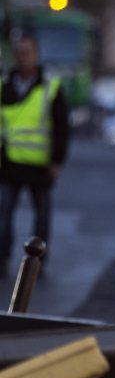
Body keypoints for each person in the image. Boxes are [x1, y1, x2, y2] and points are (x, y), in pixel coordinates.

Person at [0, 34, 71, 277]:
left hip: (40, 166)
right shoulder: (4, 84)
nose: (23, 57)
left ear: (36, 54)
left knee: (41, 220)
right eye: (19, 52)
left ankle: (36, 264)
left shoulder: (50, 86)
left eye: (27, 52)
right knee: (3, 214)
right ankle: (1, 259)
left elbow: (62, 126)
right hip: (8, 164)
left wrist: (56, 160)